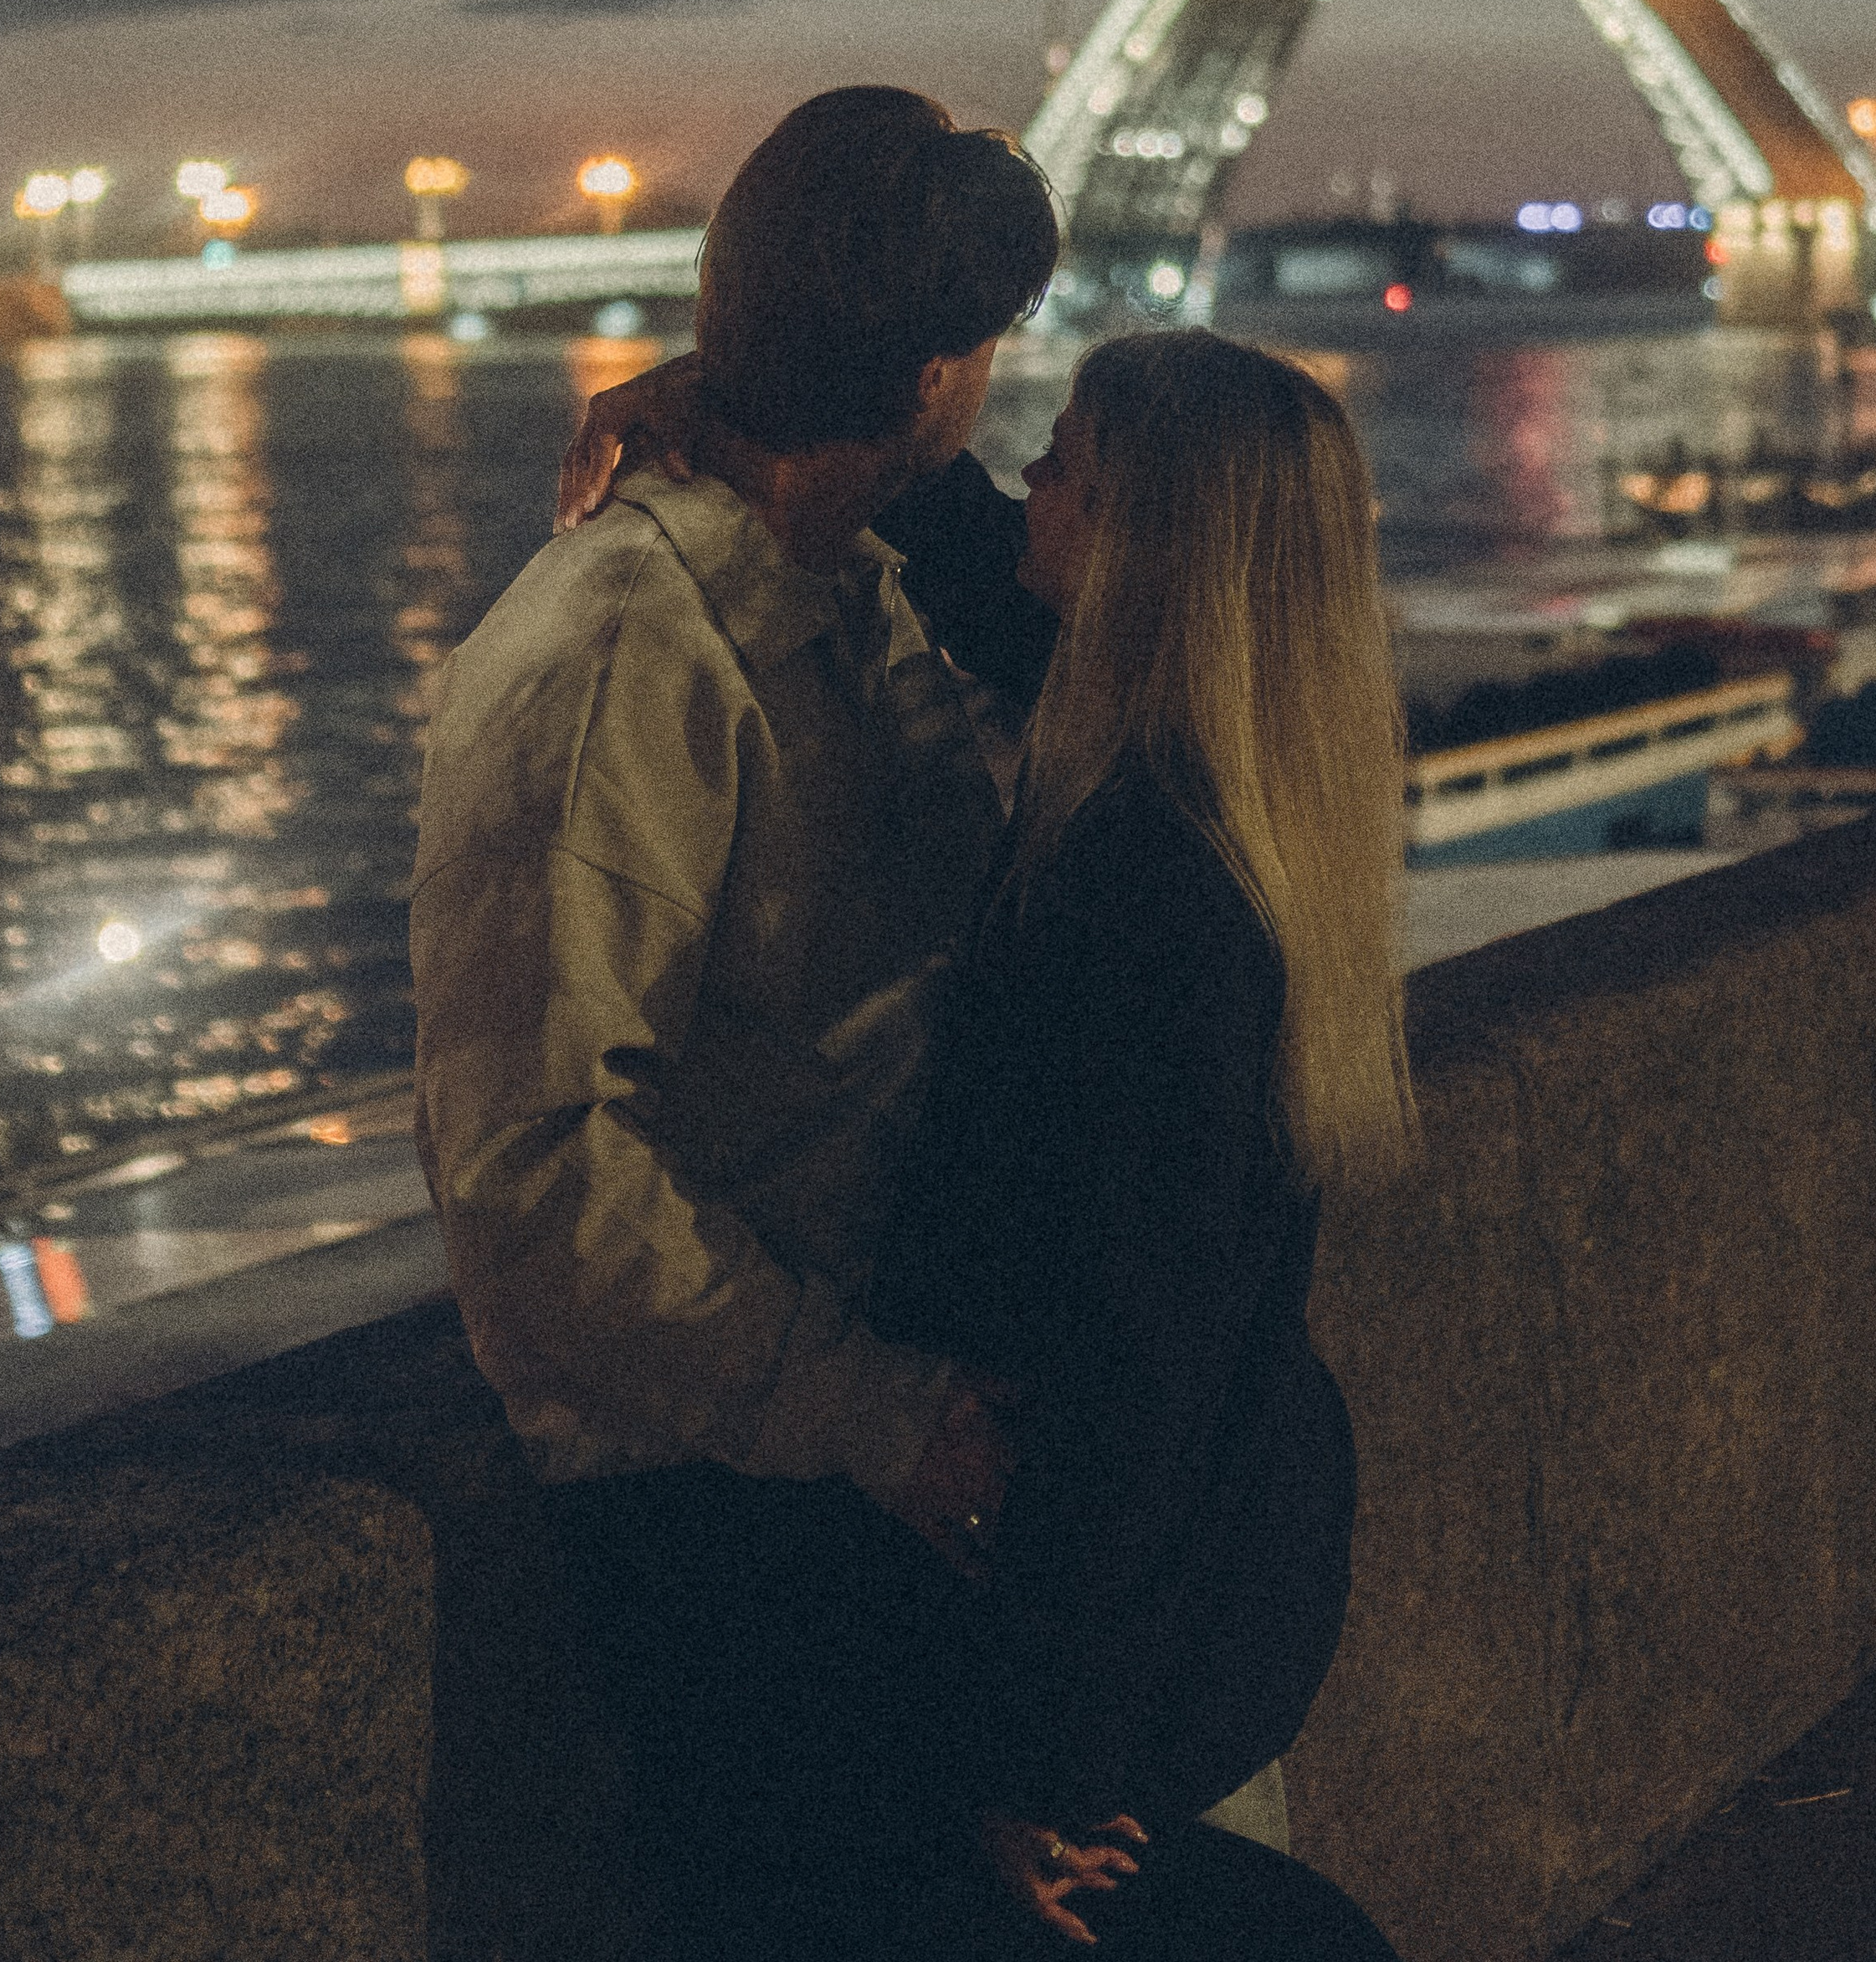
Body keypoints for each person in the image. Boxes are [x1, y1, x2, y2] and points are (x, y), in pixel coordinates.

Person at [561, 324, 1416, 1958]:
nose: (1028, 474)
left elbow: (1130, 1371)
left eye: (1066, 467)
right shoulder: (1213, 782)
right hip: (1221, 1563)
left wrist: (1049, 1765)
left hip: (1100, 1629)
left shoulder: (1149, 899)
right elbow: (970, 554)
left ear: (1143, 548)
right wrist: (760, 398)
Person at [410, 87, 1067, 1942]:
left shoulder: (834, 578)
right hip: (727, 1502)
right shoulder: (623, 644)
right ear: (941, 375)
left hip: (846, 1434)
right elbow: (533, 1170)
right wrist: (881, 1419)